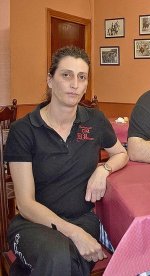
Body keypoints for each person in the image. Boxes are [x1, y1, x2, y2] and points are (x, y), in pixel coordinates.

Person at [4, 46, 129, 275]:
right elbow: (24, 203)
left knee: (60, 260)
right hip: (33, 223)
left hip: (83, 219)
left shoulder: (95, 120)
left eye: (82, 77)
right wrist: (74, 233)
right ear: (50, 80)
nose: (75, 84)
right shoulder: (23, 130)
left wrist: (104, 170)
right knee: (60, 256)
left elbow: (121, 153)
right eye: (66, 75)